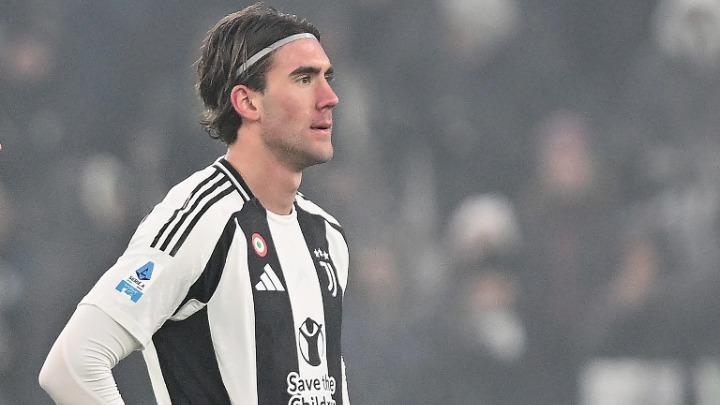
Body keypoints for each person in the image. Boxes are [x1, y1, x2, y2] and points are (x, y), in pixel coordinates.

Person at [38, 3, 350, 404]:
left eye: (327, 77)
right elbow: (71, 365)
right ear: (248, 102)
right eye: (304, 79)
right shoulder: (203, 217)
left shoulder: (326, 235)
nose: (330, 97)